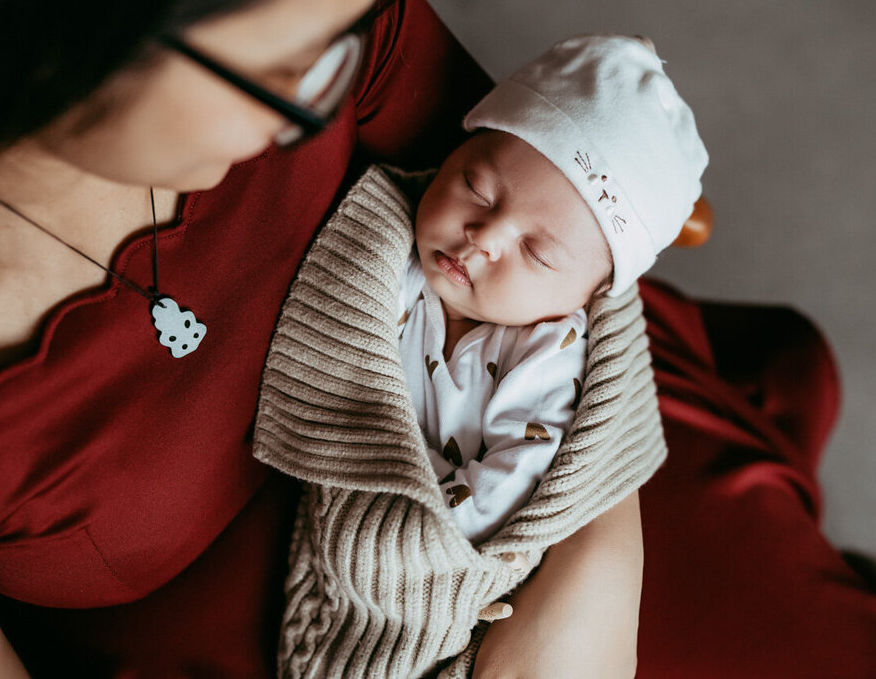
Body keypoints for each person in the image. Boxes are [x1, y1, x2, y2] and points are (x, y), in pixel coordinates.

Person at [0, 0, 876, 678]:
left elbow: (563, 229)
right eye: (286, 66)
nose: (331, 84)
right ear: (29, 8)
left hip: (553, 428)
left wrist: (594, 556)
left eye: (362, 18)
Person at [252, 33, 707, 676]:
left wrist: (427, 547)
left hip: (464, 561)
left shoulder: (548, 351)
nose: (484, 236)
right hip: (349, 521)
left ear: (587, 297)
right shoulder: (394, 258)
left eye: (538, 253)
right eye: (477, 187)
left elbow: (514, 475)